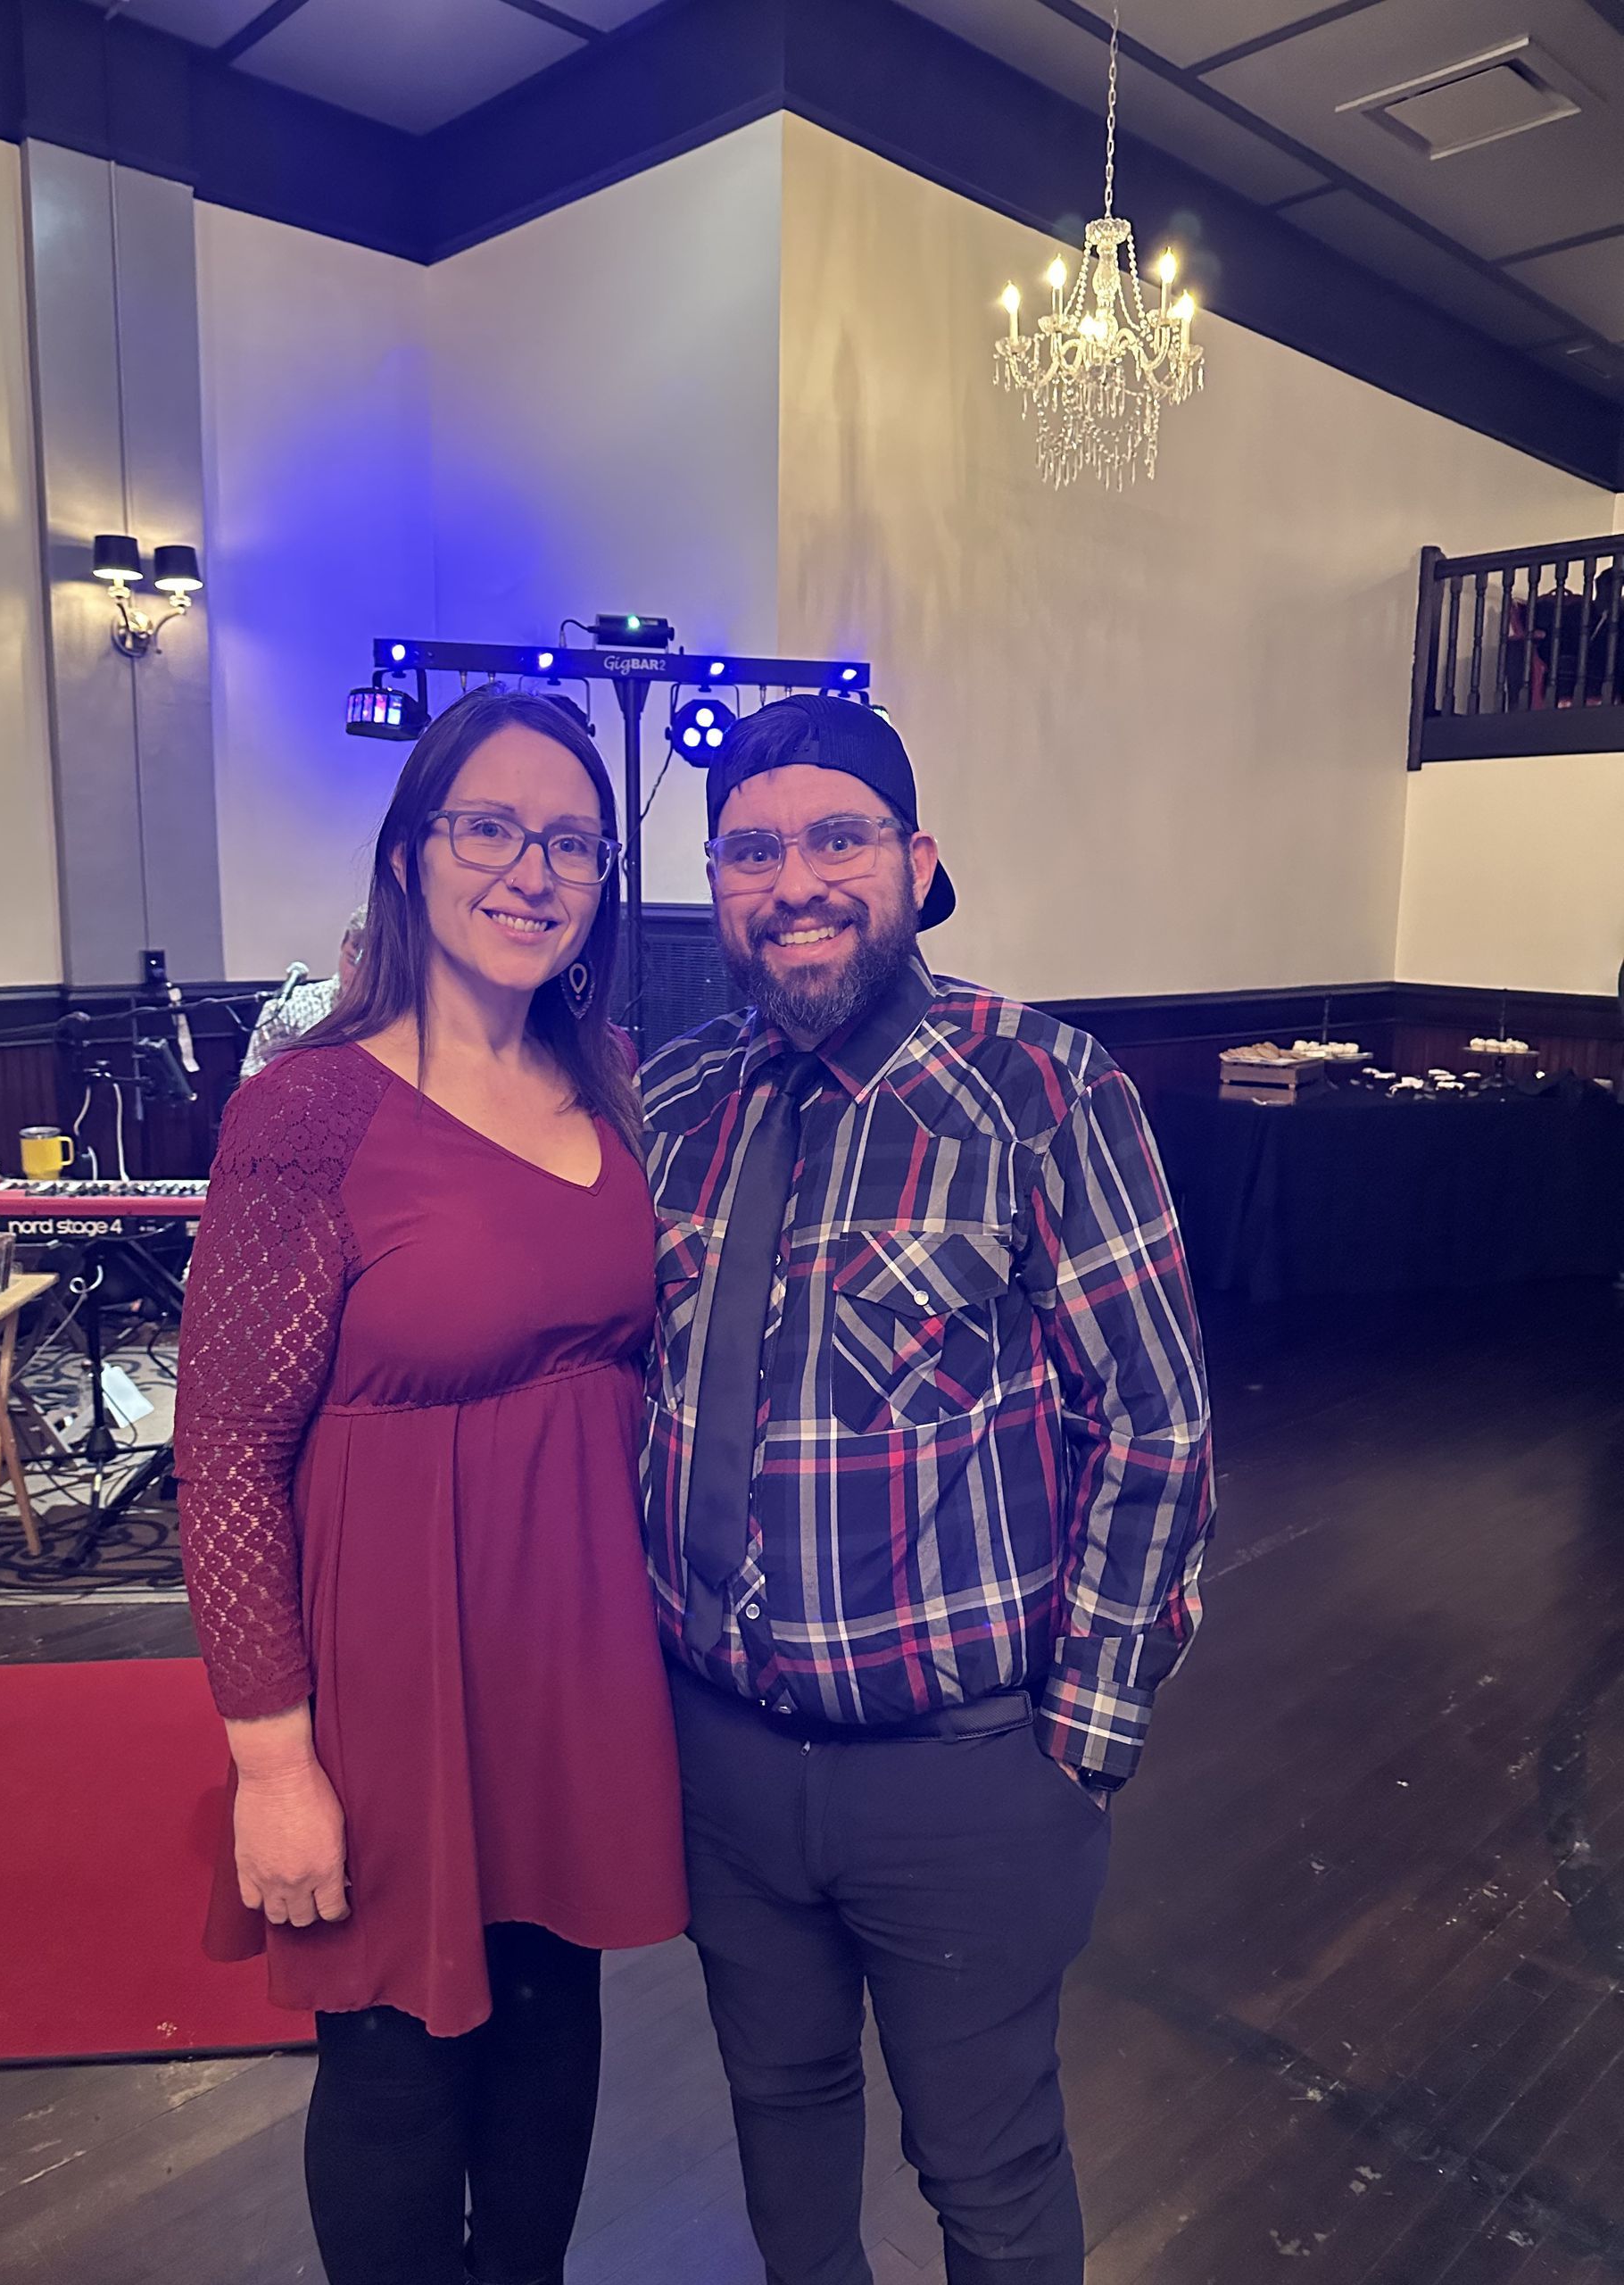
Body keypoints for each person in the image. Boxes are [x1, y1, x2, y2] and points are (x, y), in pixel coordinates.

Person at [639, 696, 1214, 2285]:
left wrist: (1080, 1741)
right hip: (727, 1762)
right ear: (717, 887)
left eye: (839, 838)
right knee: (780, 2112)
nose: (796, 880)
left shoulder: (1044, 1090)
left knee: (987, 2166)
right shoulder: (676, 1105)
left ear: (918, 861)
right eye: (752, 849)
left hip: (961, 1780)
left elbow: (1156, 1422)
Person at [174, 690, 686, 2285]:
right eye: (490, 828)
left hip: (575, 1660)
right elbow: (226, 1453)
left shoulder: (610, 1073)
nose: (533, 871)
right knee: (398, 2060)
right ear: (408, 857)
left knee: (550, 2018)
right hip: (392, 1673)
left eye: (574, 845)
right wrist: (273, 1766)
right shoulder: (311, 1109)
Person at [239, 903, 369, 1076]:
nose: (356, 976)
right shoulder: (290, 1009)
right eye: (351, 961)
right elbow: (252, 1085)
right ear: (343, 943)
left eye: (370, 969)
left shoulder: (401, 1016)